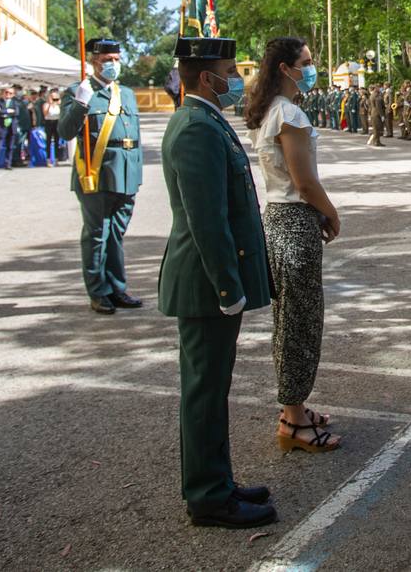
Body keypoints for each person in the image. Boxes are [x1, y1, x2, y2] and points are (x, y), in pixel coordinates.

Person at [159, 35, 277, 529]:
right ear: (208, 78)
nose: (237, 79)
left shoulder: (206, 119)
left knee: (213, 386)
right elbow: (208, 222)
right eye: (230, 70)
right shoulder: (195, 128)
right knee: (205, 391)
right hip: (206, 285)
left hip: (209, 284)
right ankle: (208, 496)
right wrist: (229, 288)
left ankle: (219, 480)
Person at [245, 36, 343, 454]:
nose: (311, 66)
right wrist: (332, 213)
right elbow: (305, 183)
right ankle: (294, 418)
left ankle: (295, 408)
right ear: (285, 69)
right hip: (296, 222)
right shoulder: (290, 115)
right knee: (301, 323)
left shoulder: (271, 111)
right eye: (305, 61)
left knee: (290, 320)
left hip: (277, 219)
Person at [58, 37, 145, 314]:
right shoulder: (78, 91)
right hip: (96, 173)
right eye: (108, 60)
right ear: (94, 61)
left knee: (116, 235)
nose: (113, 64)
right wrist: (80, 104)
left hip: (127, 173)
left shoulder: (127, 94)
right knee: (97, 235)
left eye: (117, 60)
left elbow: (135, 136)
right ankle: (98, 292)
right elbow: (65, 132)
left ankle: (117, 288)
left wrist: (137, 173)